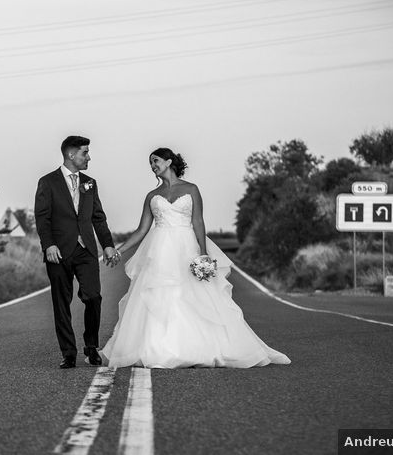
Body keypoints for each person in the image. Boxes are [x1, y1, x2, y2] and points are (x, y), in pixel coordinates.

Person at [100, 148, 290, 369]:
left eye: (156, 161)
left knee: (194, 296)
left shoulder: (191, 189)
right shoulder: (151, 196)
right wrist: (118, 251)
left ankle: (200, 347)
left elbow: (198, 222)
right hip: (159, 249)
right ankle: (157, 348)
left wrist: (203, 253)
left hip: (186, 247)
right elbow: (141, 230)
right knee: (159, 296)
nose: (152, 165)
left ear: (169, 161)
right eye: (150, 163)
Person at [34, 135, 120, 369]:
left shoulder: (90, 182)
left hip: (86, 251)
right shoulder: (47, 182)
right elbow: (42, 218)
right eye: (85, 152)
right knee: (61, 302)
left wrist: (108, 245)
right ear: (71, 155)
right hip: (58, 251)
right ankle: (68, 352)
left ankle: (91, 347)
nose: (88, 157)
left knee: (93, 296)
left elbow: (98, 217)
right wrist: (48, 245)